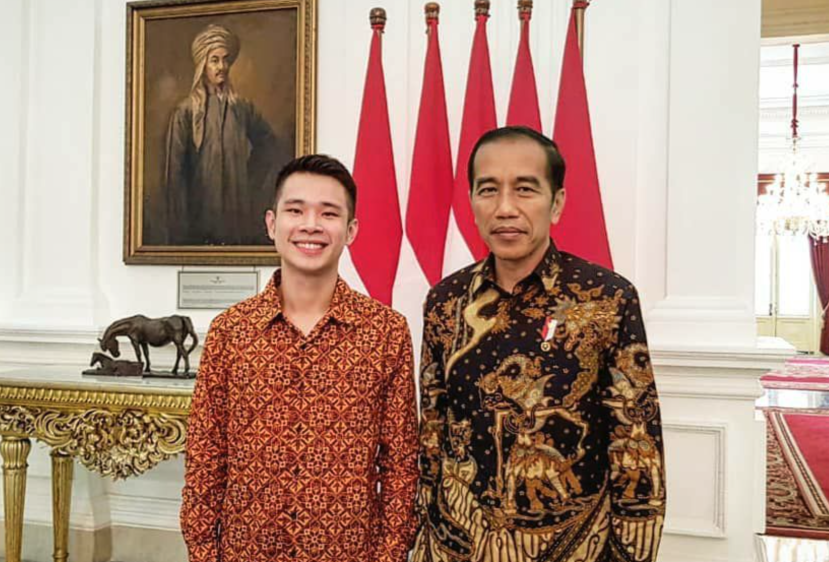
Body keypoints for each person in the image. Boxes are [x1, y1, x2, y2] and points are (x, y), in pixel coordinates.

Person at [411, 127, 666, 562]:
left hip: (576, 547)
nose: (505, 208)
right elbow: (433, 430)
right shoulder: (445, 301)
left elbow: (636, 439)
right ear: (471, 201)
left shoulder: (607, 298)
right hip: (459, 545)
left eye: (525, 189)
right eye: (488, 190)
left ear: (557, 203)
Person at [181, 154, 419, 562]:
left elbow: (400, 465)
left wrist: (390, 554)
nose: (311, 224)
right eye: (296, 210)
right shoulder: (230, 332)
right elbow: (205, 457)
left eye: (329, 213)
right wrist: (203, 553)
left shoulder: (386, 333)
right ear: (272, 224)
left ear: (351, 230)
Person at [164, 23, 287, 246]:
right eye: (214, 60)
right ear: (202, 65)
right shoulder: (185, 112)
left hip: (237, 215)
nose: (222, 67)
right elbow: (175, 176)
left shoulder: (242, 108)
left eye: (225, 60)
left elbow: (269, 144)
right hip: (200, 218)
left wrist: (248, 176)